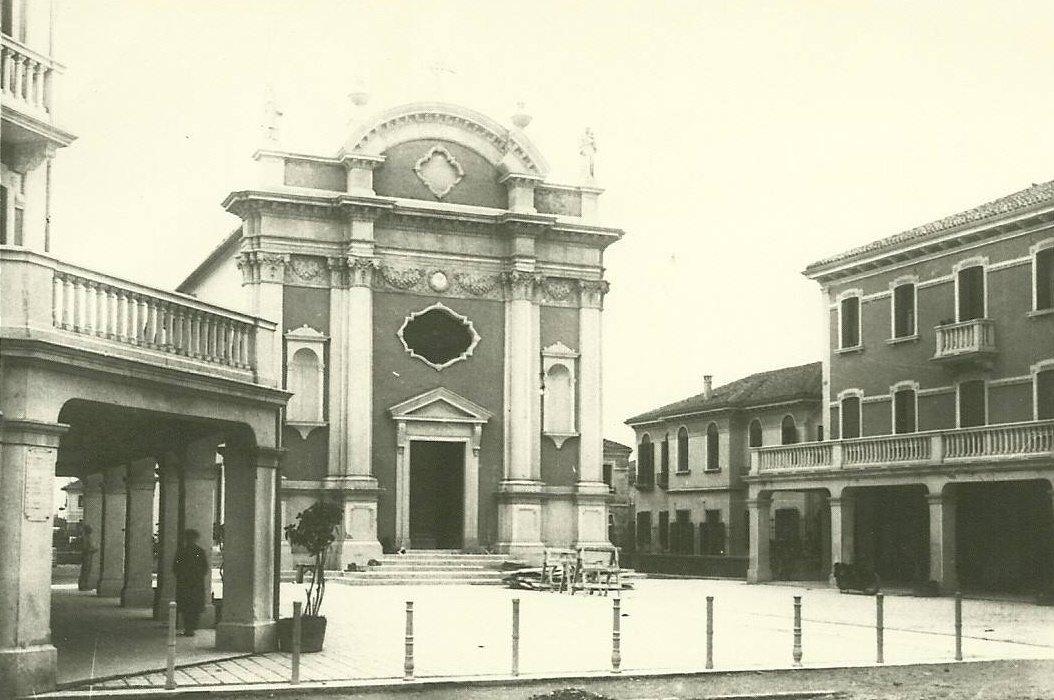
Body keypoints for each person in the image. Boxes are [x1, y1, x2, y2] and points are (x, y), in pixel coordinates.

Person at [173, 529, 209, 637]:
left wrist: (182, 576)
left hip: (187, 583)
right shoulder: (198, 551)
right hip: (194, 583)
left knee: (188, 606)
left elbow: (175, 567)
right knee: (193, 606)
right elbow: (205, 568)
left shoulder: (182, 551)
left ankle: (189, 628)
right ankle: (190, 628)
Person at [77, 525, 97, 591]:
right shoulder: (85, 538)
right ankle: (82, 585)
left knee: (86, 570)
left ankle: (84, 584)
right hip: (87, 555)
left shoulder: (87, 537)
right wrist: (93, 550)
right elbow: (85, 548)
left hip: (88, 555)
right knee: (85, 570)